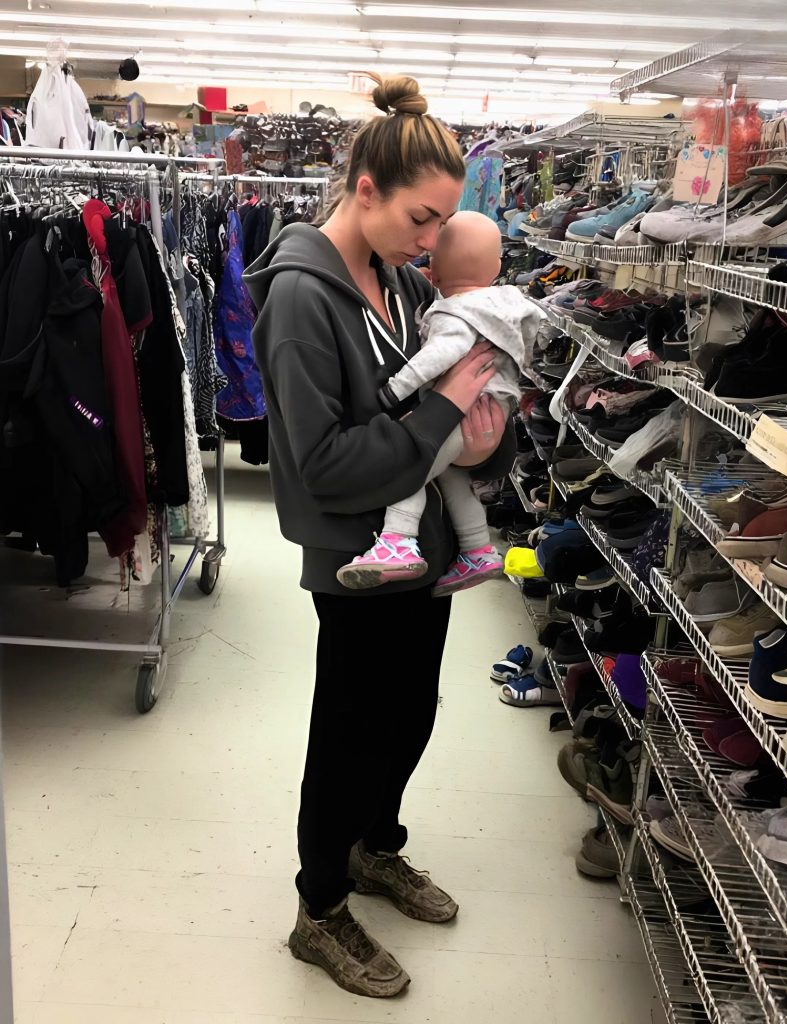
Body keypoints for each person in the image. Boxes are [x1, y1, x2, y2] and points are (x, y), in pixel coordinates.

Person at [244, 72, 515, 999]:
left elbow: (453, 416)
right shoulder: (300, 299)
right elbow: (322, 462)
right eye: (421, 218)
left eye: (442, 222)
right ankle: (318, 908)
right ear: (366, 190)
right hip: (357, 559)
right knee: (349, 733)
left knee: (409, 715)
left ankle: (374, 846)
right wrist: (446, 409)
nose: (433, 240)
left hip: (423, 548)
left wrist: (484, 433)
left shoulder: (401, 283)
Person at [337, 210, 546, 597]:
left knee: (413, 468)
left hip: (455, 415)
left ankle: (398, 540)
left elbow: (441, 354)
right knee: (453, 478)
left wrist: (396, 389)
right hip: (494, 410)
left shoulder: (456, 312)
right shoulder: (507, 307)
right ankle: (478, 548)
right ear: (496, 267)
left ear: (433, 272)